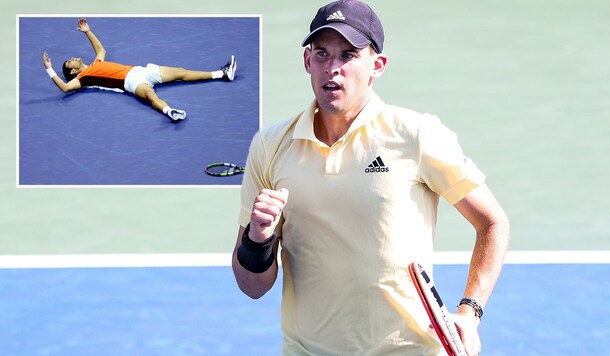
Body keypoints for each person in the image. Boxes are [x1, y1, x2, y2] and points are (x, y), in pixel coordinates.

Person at [232, 0, 510, 355]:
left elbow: (493, 223)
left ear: (377, 66)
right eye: (321, 53)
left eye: (348, 55)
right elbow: (252, 286)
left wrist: (470, 313)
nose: (332, 68)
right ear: (307, 61)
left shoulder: (416, 134)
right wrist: (258, 239)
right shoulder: (270, 147)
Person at [42, 18, 237, 121]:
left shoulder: (96, 63)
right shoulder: (83, 78)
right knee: (152, 97)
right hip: (132, 83)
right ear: (74, 72)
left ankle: (223, 73)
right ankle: (170, 112)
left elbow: (101, 49)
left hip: (142, 71)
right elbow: (66, 88)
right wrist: (50, 70)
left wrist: (88, 32)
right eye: (70, 63)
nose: (73, 59)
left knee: (180, 72)